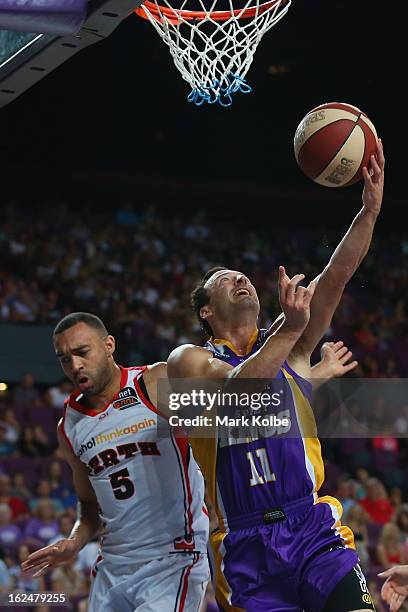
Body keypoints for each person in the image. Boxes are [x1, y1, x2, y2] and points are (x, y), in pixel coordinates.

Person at [167, 140, 385, 612]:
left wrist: (367, 213)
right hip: (242, 544)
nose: (239, 278)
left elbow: (336, 277)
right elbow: (241, 393)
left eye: (241, 274)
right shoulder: (187, 361)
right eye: (224, 278)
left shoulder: (291, 342)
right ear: (206, 310)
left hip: (311, 526)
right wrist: (293, 334)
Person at [22, 312, 210, 612]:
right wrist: (74, 542)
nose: (74, 366)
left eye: (82, 353)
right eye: (64, 359)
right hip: (113, 565)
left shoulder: (154, 381)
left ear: (109, 345)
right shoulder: (68, 426)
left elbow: (230, 416)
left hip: (173, 558)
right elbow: (89, 507)